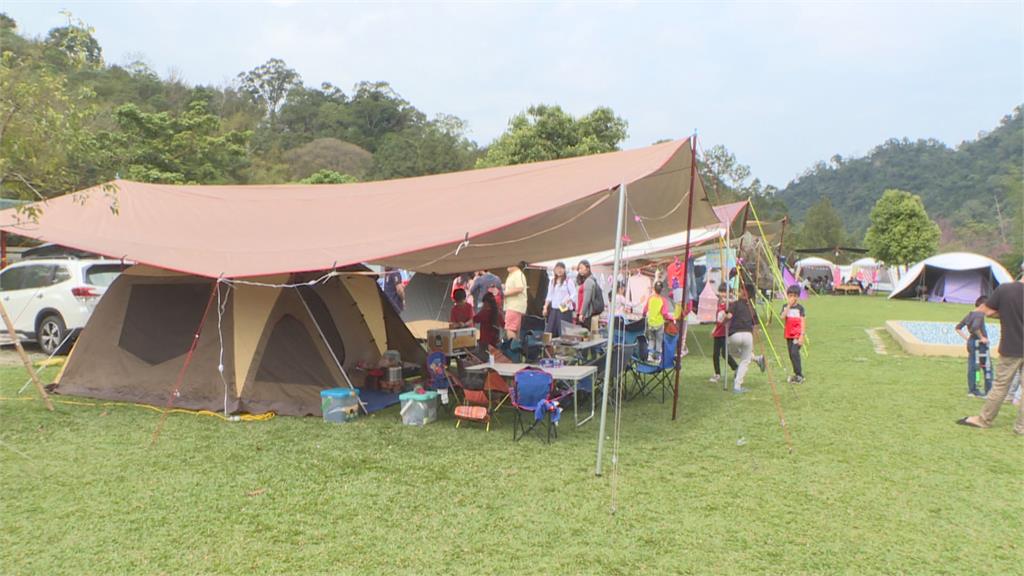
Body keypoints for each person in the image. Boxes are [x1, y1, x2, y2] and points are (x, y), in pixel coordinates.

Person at [957, 268, 1024, 435]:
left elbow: (985, 311)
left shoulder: (1006, 289)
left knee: (1000, 385)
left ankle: (984, 420)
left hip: (1011, 348)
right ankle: (1021, 427)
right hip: (1012, 348)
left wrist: (1006, 314)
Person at [725, 283, 766, 394]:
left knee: (730, 352)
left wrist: (724, 317)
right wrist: (753, 343)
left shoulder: (735, 304)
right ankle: (737, 386)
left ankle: (756, 359)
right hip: (748, 335)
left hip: (734, 335)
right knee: (745, 360)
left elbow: (728, 316)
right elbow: (755, 327)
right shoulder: (752, 308)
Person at [955, 296, 992, 398]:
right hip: (980, 345)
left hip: (971, 343)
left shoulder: (970, 314)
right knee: (986, 367)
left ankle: (973, 390)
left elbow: (958, 328)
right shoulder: (979, 315)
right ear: (982, 305)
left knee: (974, 367)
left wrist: (967, 338)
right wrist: (982, 337)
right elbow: (975, 327)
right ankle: (988, 391)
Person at [709, 284, 738, 383]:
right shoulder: (720, 303)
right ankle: (717, 373)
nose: (722, 294)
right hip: (718, 331)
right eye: (721, 292)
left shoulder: (730, 304)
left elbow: (729, 314)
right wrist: (715, 328)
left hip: (725, 332)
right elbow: (719, 318)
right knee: (715, 354)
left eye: (724, 292)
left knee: (724, 353)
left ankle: (736, 368)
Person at [782, 284, 807, 384]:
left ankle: (799, 375)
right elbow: (782, 316)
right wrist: (788, 305)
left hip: (797, 335)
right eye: (790, 295)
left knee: (794, 353)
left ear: (797, 297)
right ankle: (796, 374)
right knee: (791, 355)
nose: (792, 298)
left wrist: (802, 335)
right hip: (788, 335)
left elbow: (803, 321)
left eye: (794, 296)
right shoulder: (785, 307)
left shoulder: (800, 308)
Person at [642, 281, 673, 361]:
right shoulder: (663, 300)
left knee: (651, 340)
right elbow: (664, 313)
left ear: (654, 289)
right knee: (659, 340)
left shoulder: (650, 298)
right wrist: (670, 318)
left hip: (651, 323)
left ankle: (650, 355)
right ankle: (657, 356)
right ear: (662, 289)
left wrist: (644, 315)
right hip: (659, 324)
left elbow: (645, 309)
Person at [542, 262, 574, 337]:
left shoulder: (568, 281)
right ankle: (549, 348)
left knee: (563, 332)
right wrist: (545, 307)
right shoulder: (552, 281)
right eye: (557, 268)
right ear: (555, 270)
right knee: (550, 331)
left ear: (564, 270)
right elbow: (549, 295)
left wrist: (567, 300)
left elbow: (574, 294)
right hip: (554, 309)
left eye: (561, 268)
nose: (559, 270)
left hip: (564, 309)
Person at [503, 261, 529, 341]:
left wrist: (504, 293)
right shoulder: (514, 274)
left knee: (510, 328)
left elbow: (519, 288)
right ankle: (516, 350)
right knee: (515, 329)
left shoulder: (517, 274)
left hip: (514, 306)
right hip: (515, 306)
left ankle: (512, 350)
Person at [575, 260, 604, 328]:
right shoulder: (590, 280)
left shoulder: (588, 281)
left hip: (587, 314)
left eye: (581, 268)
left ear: (587, 268)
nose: (580, 270)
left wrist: (582, 314)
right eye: (579, 269)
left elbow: (586, 299)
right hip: (588, 313)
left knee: (585, 334)